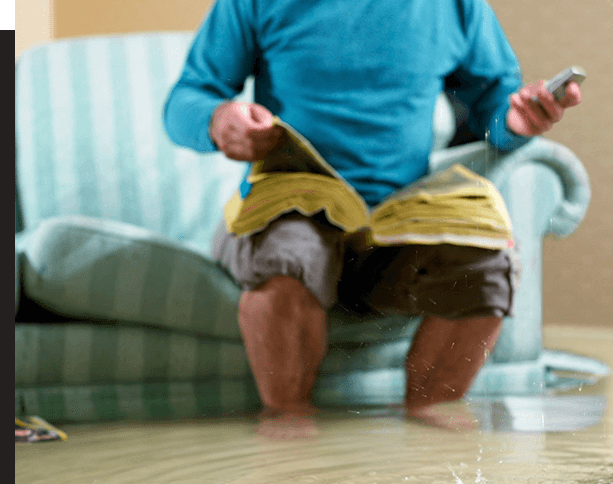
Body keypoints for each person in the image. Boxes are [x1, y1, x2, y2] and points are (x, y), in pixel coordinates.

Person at [164, 0, 582, 438]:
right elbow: (187, 98)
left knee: (487, 269)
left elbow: (493, 110)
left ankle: (429, 426)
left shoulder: (457, 7)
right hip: (293, 203)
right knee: (289, 257)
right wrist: (217, 119)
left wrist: (516, 120)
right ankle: (287, 423)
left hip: (398, 221)